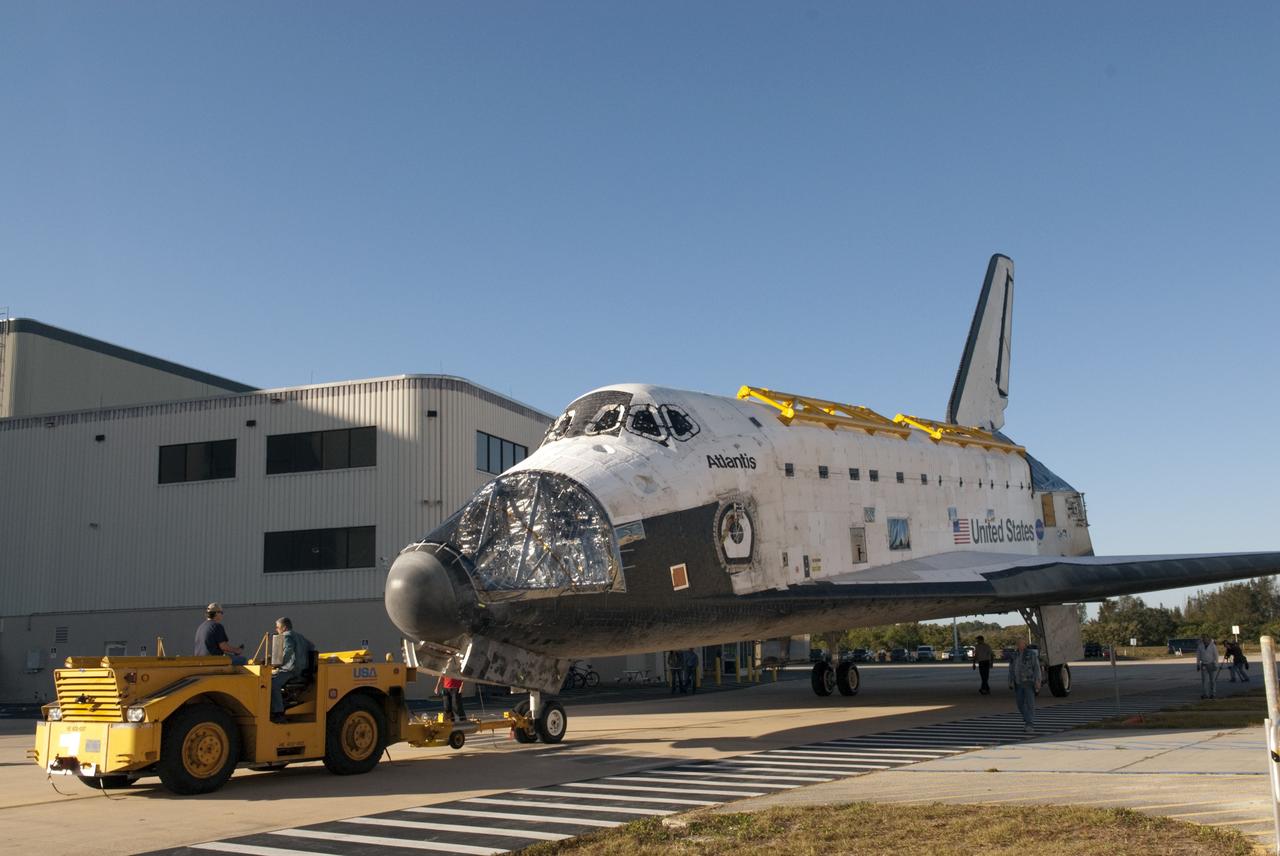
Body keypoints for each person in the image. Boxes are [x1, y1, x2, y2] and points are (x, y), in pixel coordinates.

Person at [270, 617, 312, 723]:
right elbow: (311, 646)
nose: (276, 629)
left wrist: (277, 663)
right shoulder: (300, 636)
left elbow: (288, 651)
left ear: (284, 628)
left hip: (291, 670)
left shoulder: (286, 636)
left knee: (272, 684)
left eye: (277, 627)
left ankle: (278, 712)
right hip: (301, 670)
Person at [1008, 639, 1042, 734]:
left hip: (1028, 682)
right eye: (1018, 643)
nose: (1019, 645)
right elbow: (1011, 668)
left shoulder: (1031, 654)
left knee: (1030, 704)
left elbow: (1037, 668)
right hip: (1018, 683)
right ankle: (1027, 718)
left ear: (1025, 644)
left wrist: (1038, 681)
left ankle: (1029, 724)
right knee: (1019, 703)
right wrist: (1010, 681)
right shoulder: (1014, 655)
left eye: (1021, 643)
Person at [1196, 633, 1219, 699]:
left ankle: (1213, 693)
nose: (1204, 639)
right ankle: (1205, 694)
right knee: (1204, 680)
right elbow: (1198, 656)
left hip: (1211, 664)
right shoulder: (1200, 646)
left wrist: (1216, 664)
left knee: (1212, 680)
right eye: (1202, 638)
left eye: (1205, 638)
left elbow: (1216, 656)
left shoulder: (1212, 646)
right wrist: (1197, 664)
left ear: (1208, 638)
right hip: (1203, 664)